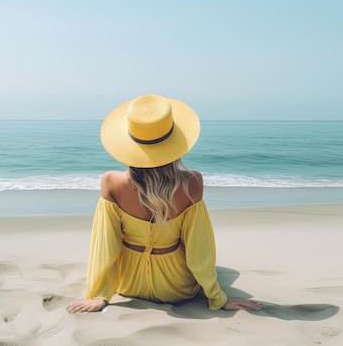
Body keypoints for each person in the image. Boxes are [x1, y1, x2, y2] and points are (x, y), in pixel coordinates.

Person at [67, 94, 262, 313]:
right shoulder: (192, 183)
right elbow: (199, 250)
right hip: (178, 289)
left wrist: (100, 295)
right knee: (222, 270)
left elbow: (105, 247)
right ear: (174, 144)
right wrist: (217, 298)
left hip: (129, 285)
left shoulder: (111, 182)